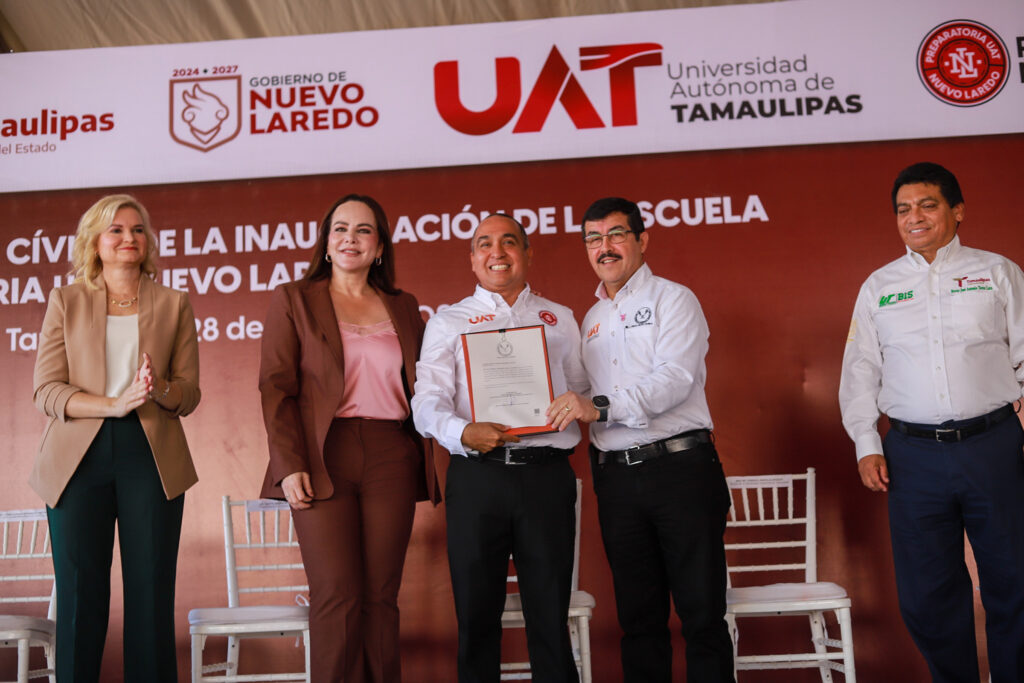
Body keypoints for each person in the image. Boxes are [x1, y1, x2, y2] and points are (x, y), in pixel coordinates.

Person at [839, 162, 1024, 682]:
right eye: (903, 209)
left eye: (927, 205)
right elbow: (860, 371)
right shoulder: (879, 287)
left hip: (994, 445)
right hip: (912, 455)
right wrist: (864, 442)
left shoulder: (997, 272)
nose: (913, 217)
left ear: (956, 211)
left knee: (1015, 580)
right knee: (928, 594)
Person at [548, 197, 734, 682]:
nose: (603, 247)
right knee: (639, 620)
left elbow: (675, 378)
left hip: (681, 473)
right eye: (593, 238)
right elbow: (583, 392)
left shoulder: (674, 299)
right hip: (617, 482)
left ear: (641, 240)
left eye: (615, 235)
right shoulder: (590, 319)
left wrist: (600, 408)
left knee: (702, 616)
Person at [259, 193, 438, 683]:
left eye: (363, 230)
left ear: (380, 246)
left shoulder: (405, 306)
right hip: (322, 455)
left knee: (381, 595)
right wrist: (288, 463)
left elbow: (428, 384)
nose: (350, 239)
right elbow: (275, 388)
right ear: (326, 240)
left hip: (391, 454)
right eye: (340, 229)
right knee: (336, 593)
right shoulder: (294, 298)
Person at [31, 194, 200, 683]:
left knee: (150, 594)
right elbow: (46, 390)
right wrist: (113, 404)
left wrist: (157, 389)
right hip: (75, 456)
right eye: (116, 230)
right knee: (81, 597)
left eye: (138, 230)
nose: (129, 238)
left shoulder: (174, 303)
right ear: (95, 243)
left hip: (150, 454)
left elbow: (189, 394)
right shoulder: (66, 300)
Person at [412, 213, 585, 683]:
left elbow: (584, 390)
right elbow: (425, 402)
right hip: (478, 477)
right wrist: (462, 432)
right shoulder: (449, 321)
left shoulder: (560, 318)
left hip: (546, 476)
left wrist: (576, 405)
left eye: (510, 242)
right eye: (484, 243)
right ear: (472, 260)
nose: (497, 252)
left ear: (528, 254)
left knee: (550, 618)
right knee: (475, 619)